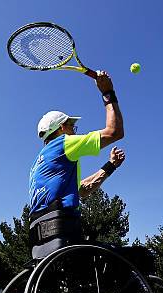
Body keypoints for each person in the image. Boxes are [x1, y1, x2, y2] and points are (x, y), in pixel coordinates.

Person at [28, 70, 125, 260]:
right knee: (131, 258)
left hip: (42, 242)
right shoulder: (63, 143)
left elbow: (82, 190)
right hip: (65, 232)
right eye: (71, 126)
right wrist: (107, 92)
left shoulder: (38, 163)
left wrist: (110, 166)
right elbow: (115, 132)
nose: (74, 130)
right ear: (61, 128)